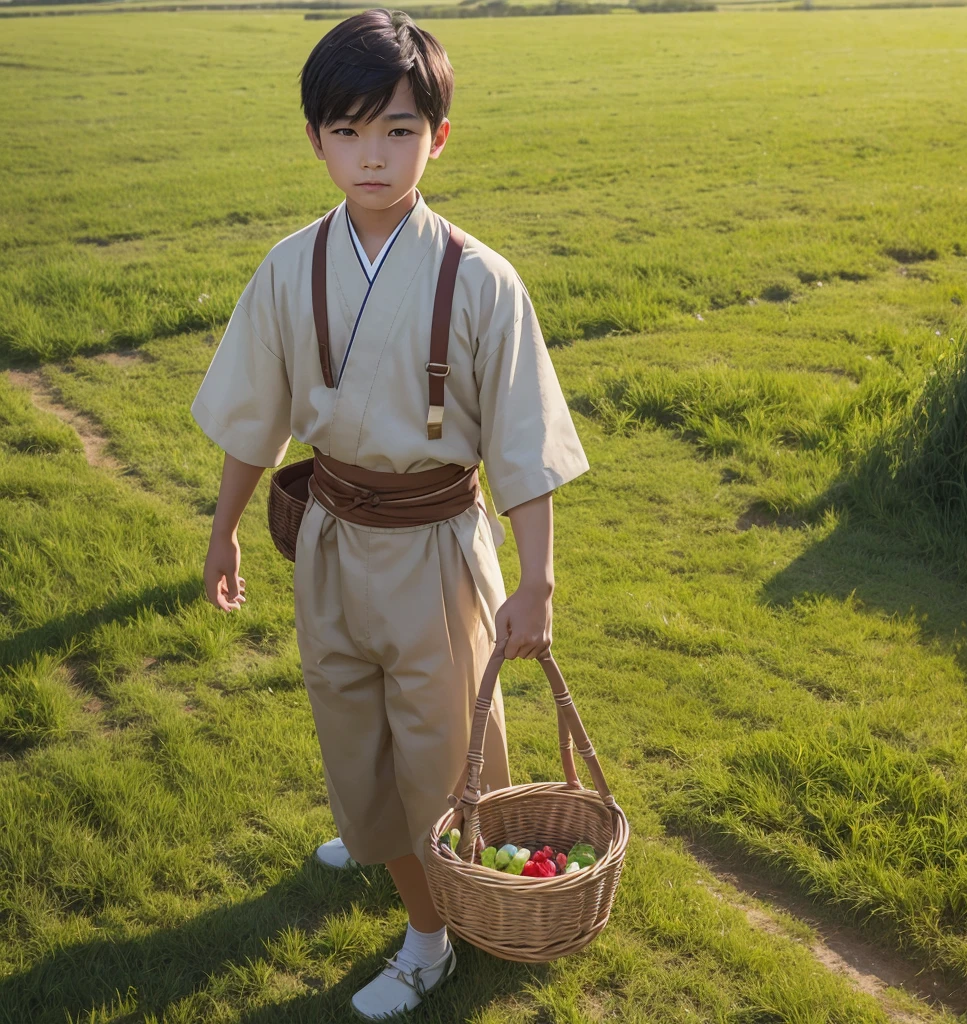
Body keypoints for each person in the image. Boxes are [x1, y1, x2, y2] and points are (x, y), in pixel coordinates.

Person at [191, 8, 588, 1019]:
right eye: (349, 130)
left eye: (399, 129)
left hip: (436, 548)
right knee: (349, 724)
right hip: (329, 535)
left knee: (441, 741)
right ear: (316, 138)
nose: (374, 155)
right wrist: (225, 523)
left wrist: (535, 578)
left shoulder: (482, 280)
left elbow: (524, 445)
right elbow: (255, 414)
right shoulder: (289, 267)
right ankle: (380, 838)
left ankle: (429, 936)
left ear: (439, 137)